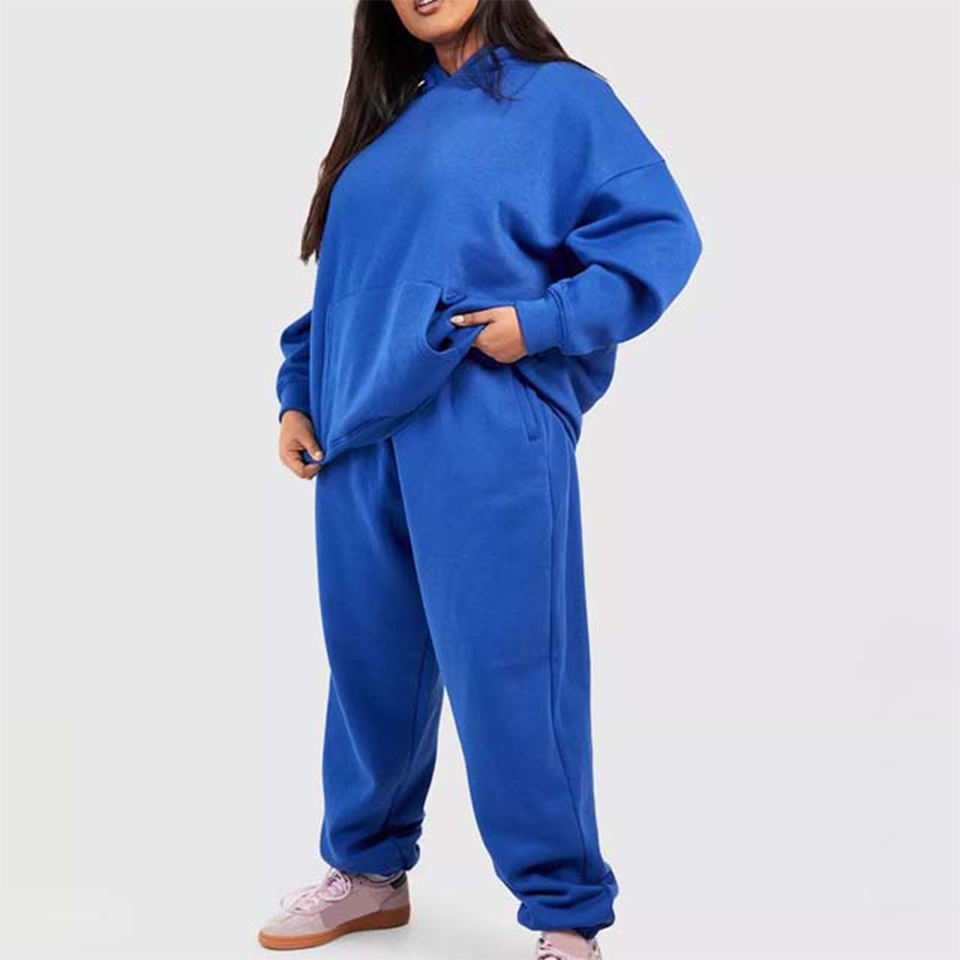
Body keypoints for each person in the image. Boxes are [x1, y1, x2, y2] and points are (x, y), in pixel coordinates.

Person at [260, 1, 702, 957]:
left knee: (512, 668)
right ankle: (369, 873)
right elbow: (347, 288)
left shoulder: (560, 101)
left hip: (481, 418)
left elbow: (661, 236)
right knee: (369, 666)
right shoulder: (387, 125)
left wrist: (539, 323)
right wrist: (299, 391)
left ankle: (565, 914)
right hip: (356, 436)